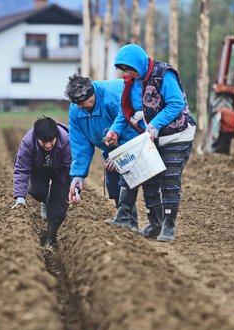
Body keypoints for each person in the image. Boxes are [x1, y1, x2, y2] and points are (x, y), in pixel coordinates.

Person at [104, 43, 196, 242]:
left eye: (131, 69)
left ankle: (168, 227)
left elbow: (176, 103)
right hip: (150, 136)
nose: (128, 73)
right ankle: (155, 223)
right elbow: (125, 111)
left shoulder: (163, 74)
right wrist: (114, 131)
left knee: (169, 179)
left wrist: (154, 125)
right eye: (125, 70)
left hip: (176, 134)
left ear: (139, 63)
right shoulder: (131, 82)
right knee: (150, 178)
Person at [64, 73, 140, 230]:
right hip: (110, 147)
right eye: (76, 104)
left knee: (129, 178)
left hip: (135, 141)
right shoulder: (76, 109)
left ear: (91, 93)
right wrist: (78, 175)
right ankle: (127, 220)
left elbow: (131, 128)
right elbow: (80, 143)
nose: (79, 107)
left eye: (83, 102)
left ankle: (136, 221)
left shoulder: (112, 98)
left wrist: (120, 155)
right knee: (112, 184)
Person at [12, 116, 72, 247]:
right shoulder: (28, 142)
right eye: (43, 142)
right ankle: (45, 201)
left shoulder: (67, 140)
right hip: (39, 169)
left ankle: (50, 239)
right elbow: (21, 170)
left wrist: (75, 189)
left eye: (51, 141)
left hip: (61, 171)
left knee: (59, 207)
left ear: (56, 135)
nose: (48, 145)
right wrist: (20, 198)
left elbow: (72, 168)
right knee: (37, 191)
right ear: (37, 138)